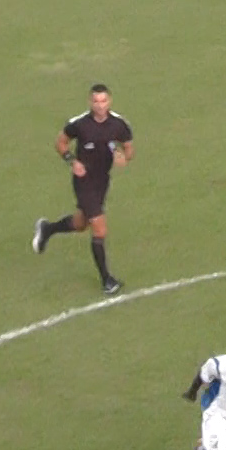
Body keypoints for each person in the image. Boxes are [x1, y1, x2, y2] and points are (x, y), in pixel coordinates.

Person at [32, 84, 134, 294]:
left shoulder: (119, 124)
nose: (100, 105)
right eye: (96, 101)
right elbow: (60, 142)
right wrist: (72, 161)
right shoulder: (79, 124)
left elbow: (129, 149)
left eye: (103, 101)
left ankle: (47, 229)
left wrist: (123, 157)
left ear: (110, 102)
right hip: (84, 181)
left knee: (80, 224)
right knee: (99, 228)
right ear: (90, 102)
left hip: (102, 181)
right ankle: (107, 280)